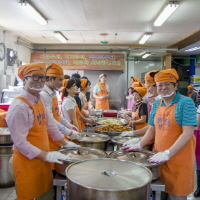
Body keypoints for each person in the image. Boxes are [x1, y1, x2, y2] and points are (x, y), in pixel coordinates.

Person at [5, 63, 77, 200]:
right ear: (24, 79)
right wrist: (47, 155)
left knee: (46, 195)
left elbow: (50, 125)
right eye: (35, 77)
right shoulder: (19, 106)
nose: (39, 82)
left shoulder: (39, 100)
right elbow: (20, 143)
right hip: (27, 163)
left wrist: (65, 142)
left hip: (42, 161)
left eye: (42, 78)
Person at [122, 69, 196, 200]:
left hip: (179, 161)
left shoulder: (185, 103)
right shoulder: (157, 103)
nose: (163, 88)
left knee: (177, 196)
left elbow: (188, 133)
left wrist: (168, 153)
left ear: (176, 85)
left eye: (168, 84)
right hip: (157, 160)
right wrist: (140, 144)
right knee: (159, 193)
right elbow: (152, 129)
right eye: (160, 85)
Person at [40, 63, 79, 169]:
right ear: (51, 78)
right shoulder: (44, 94)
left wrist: (68, 125)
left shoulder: (52, 93)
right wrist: (68, 132)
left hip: (56, 137)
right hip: (48, 138)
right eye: (60, 80)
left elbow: (57, 115)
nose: (62, 83)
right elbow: (49, 119)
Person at [121, 71, 159, 137]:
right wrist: (129, 119)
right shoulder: (154, 103)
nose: (148, 90)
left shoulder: (145, 103)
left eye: (149, 87)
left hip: (143, 131)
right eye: (147, 88)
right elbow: (152, 125)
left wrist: (135, 133)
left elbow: (147, 122)